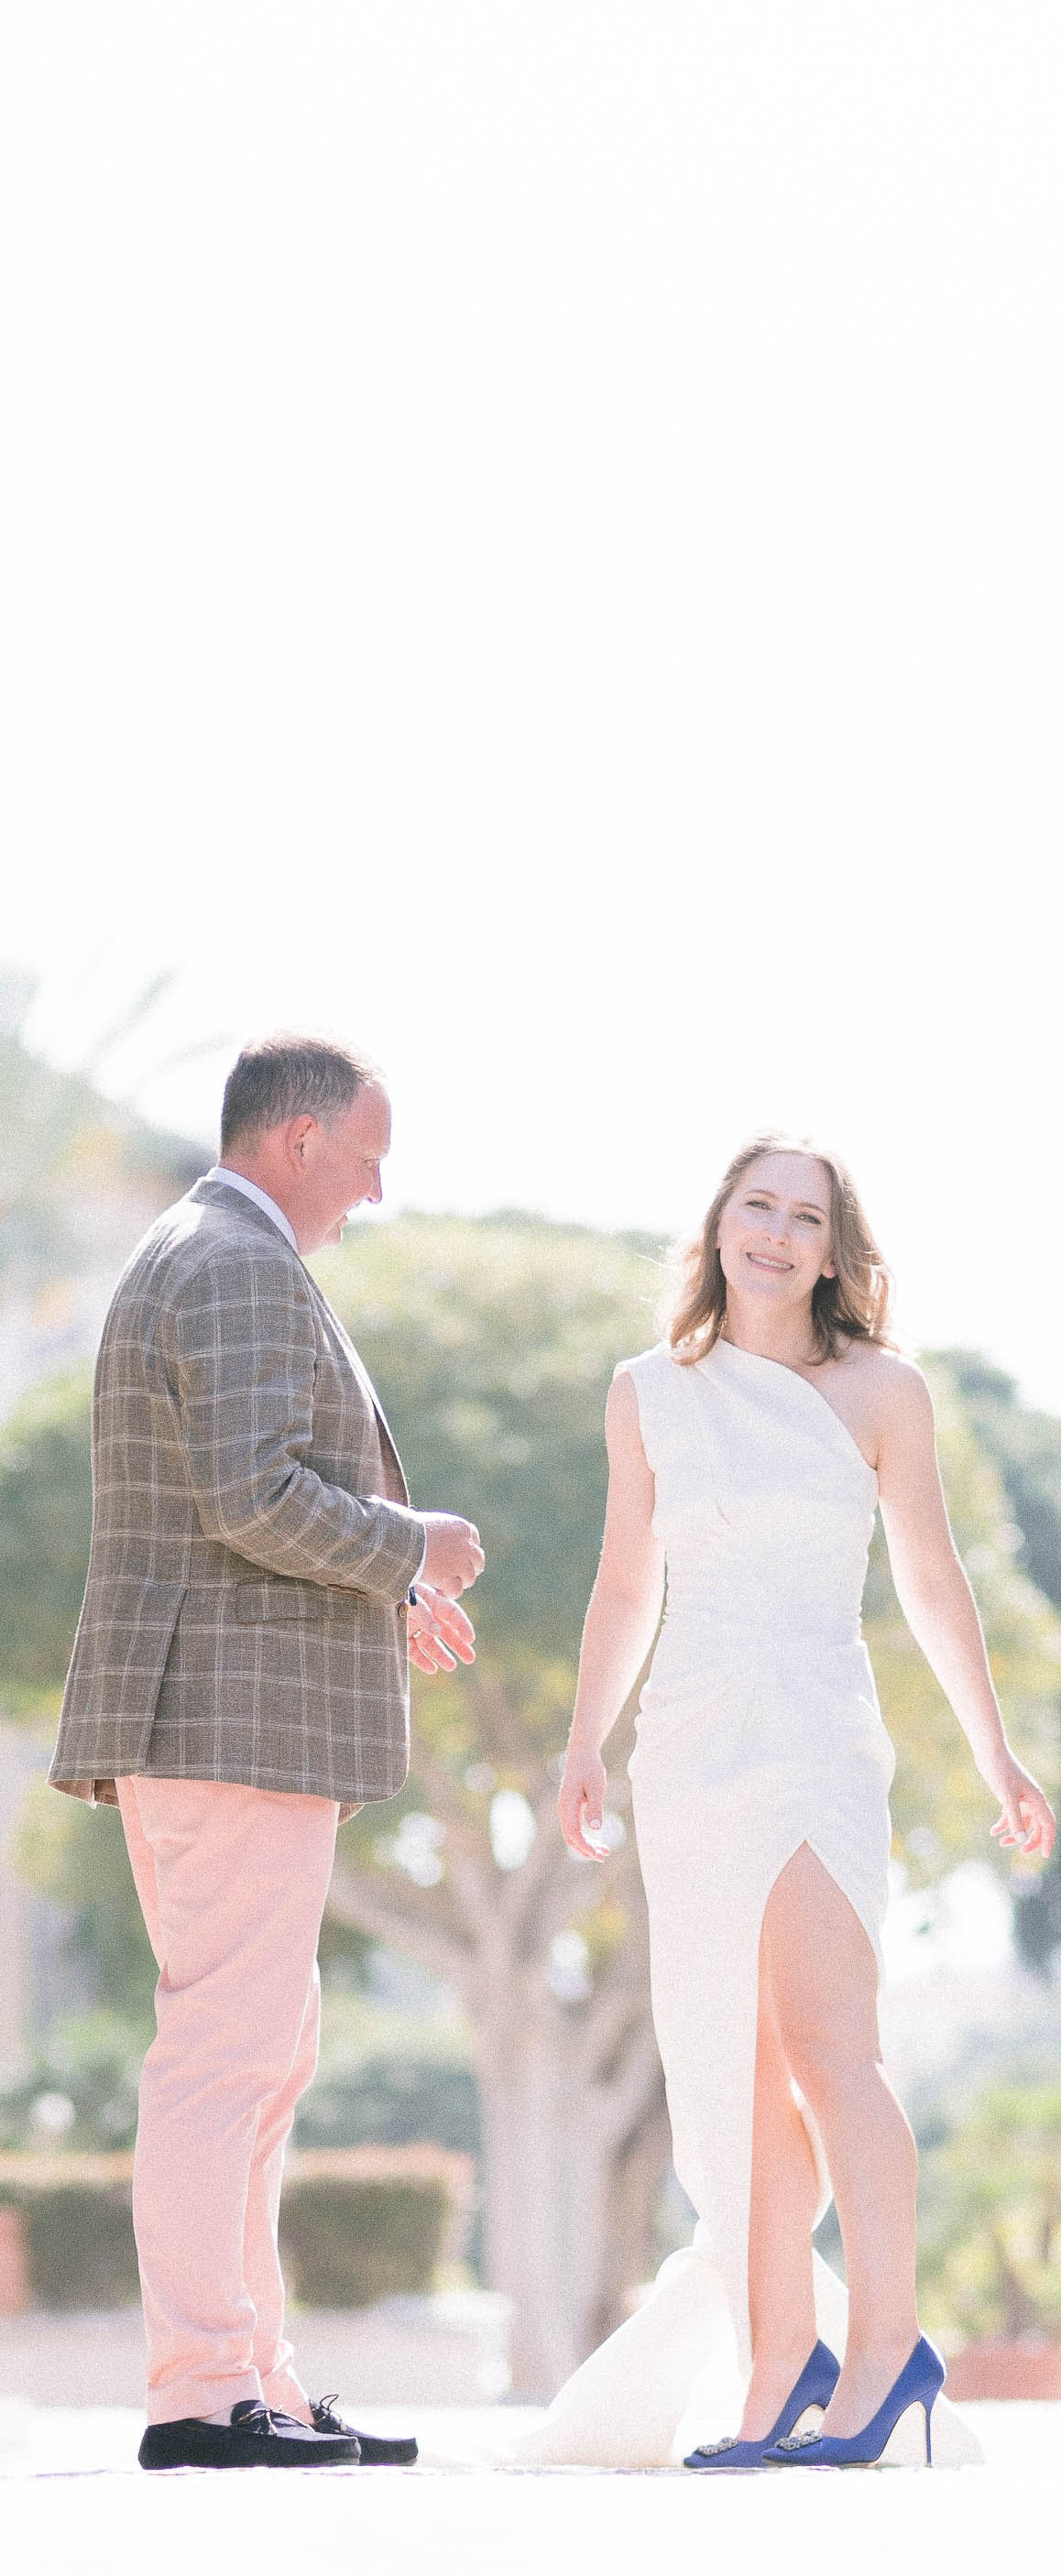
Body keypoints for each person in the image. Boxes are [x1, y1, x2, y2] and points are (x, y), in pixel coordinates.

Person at [523, 1134, 1056, 2471]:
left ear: (833, 1248)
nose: (773, 1234)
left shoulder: (883, 1391)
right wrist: (585, 1741)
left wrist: (996, 1752)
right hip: (688, 1750)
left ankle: (886, 2349)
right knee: (732, 2080)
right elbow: (624, 1584)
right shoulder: (647, 1390)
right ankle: (774, 2375)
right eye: (754, 1207)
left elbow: (934, 1583)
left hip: (812, 1734)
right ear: (716, 1226)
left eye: (802, 1217)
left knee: (831, 2050)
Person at [49, 1033, 486, 2472]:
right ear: (298, 1138)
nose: (373, 1186)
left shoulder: (221, 1250)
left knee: (259, 2055)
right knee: (226, 2059)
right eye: (365, 1154)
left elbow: (240, 1495)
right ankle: (201, 2391)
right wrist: (408, 1545)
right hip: (225, 1720)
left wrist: (393, 1588)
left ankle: (256, 2379)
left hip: (228, 1714)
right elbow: (252, 1493)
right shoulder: (233, 1258)